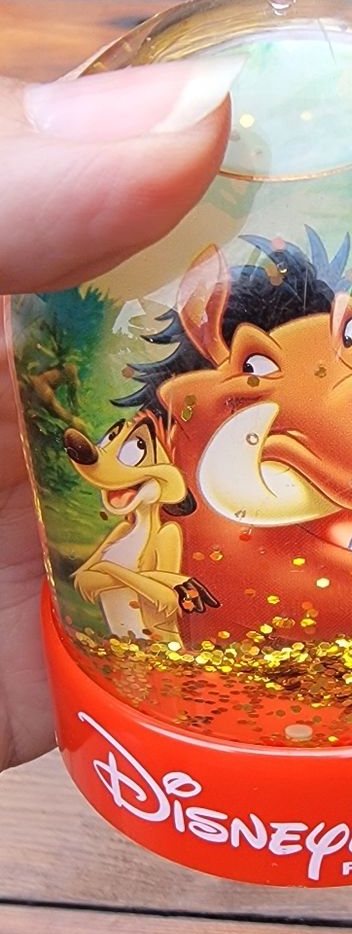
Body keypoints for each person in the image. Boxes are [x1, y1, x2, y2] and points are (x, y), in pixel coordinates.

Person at [0, 58, 233, 773]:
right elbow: (95, 584)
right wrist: (148, 584)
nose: (104, 466)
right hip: (128, 686)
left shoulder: (165, 529)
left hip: (169, 679)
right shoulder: (126, 539)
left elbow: (161, 589)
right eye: (108, 449)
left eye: (131, 451)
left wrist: (151, 584)